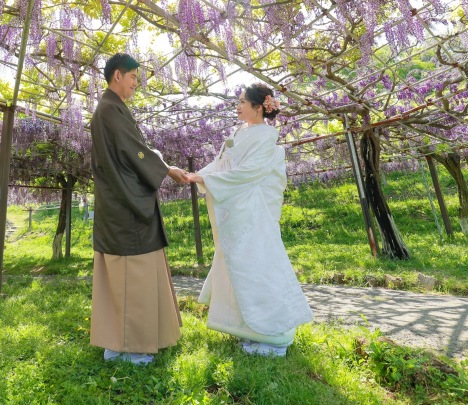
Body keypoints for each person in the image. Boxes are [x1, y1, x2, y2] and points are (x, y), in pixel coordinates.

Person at [186, 84, 313, 356]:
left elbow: (249, 172)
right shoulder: (238, 133)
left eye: (243, 101)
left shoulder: (267, 137)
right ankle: (251, 330)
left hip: (254, 213)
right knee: (241, 269)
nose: (238, 105)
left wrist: (205, 179)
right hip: (239, 212)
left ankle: (275, 336)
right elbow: (222, 165)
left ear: (259, 107)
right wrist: (197, 175)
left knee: (258, 267)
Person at [89, 53, 189, 365]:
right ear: (117, 75)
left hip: (117, 201)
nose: (136, 83)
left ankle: (118, 342)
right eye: (133, 77)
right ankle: (132, 346)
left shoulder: (110, 109)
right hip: (125, 205)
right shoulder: (110, 109)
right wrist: (167, 169)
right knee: (131, 277)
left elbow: (136, 152)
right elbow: (137, 153)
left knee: (121, 280)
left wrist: (158, 163)